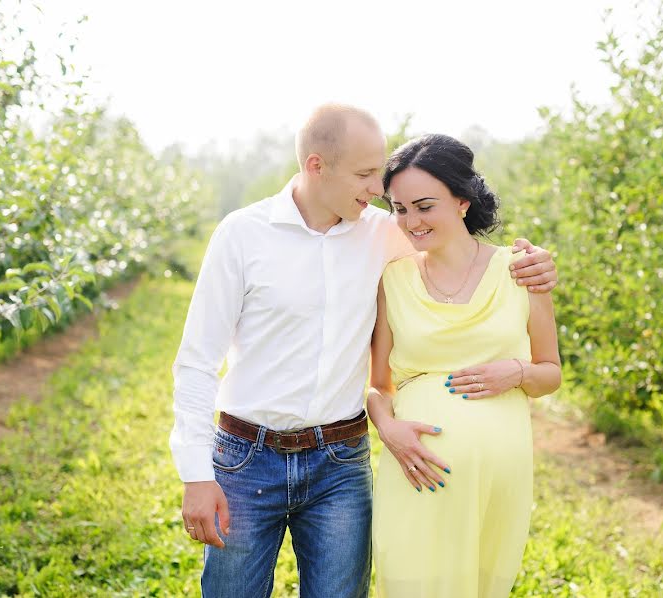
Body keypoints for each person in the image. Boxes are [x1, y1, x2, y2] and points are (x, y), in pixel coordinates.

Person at [169, 104, 558, 598]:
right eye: (365, 173)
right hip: (247, 459)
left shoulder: (385, 233)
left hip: (339, 464)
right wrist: (196, 475)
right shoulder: (243, 235)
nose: (379, 188)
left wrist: (537, 268)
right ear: (316, 165)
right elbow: (197, 362)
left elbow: (453, 242)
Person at [367, 134, 562, 597]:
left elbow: (550, 372)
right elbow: (379, 386)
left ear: (462, 200)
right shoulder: (392, 280)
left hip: (500, 477)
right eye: (399, 208)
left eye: (424, 205)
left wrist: (515, 372)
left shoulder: (520, 271)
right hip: (419, 473)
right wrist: (387, 429)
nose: (411, 221)